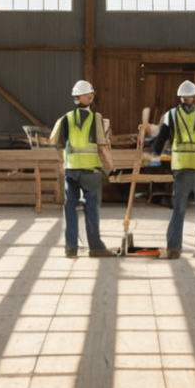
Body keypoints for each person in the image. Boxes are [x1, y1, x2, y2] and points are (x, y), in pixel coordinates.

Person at [142, 80, 195, 259]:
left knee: (179, 208)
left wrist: (149, 157)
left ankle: (174, 247)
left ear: (180, 98)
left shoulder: (171, 115)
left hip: (182, 167)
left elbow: (160, 141)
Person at [52, 80, 114, 258]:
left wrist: (63, 161)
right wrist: (111, 168)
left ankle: (71, 247)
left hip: (70, 170)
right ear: (89, 97)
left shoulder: (65, 118)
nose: (92, 97)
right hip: (90, 171)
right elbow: (102, 146)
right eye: (91, 95)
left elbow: (54, 141)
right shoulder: (96, 118)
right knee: (91, 208)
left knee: (70, 208)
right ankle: (95, 247)